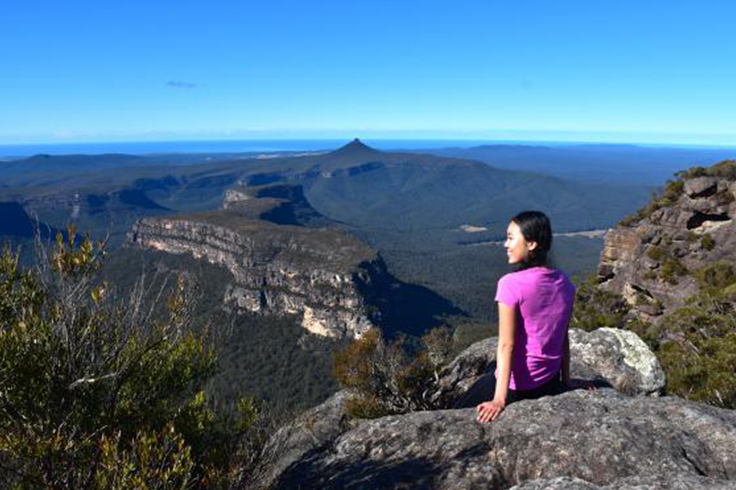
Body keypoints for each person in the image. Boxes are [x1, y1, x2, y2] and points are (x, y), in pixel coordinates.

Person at [456, 211, 578, 422]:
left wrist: (499, 400)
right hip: (549, 381)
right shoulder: (565, 282)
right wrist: (566, 381)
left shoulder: (510, 284)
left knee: (457, 409)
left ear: (531, 244)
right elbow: (562, 336)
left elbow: (506, 345)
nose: (506, 244)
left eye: (511, 237)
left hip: (519, 386)